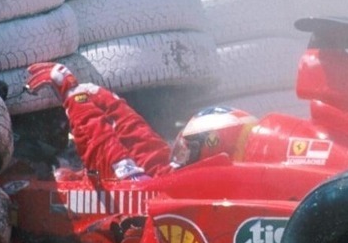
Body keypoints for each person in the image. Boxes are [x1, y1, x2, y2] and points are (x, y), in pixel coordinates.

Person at [24, 61, 257, 179]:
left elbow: (108, 160)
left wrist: (75, 99)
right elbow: (149, 152)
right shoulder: (182, 179)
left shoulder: (181, 192)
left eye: (188, 150)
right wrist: (101, 99)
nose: (178, 157)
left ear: (214, 154)